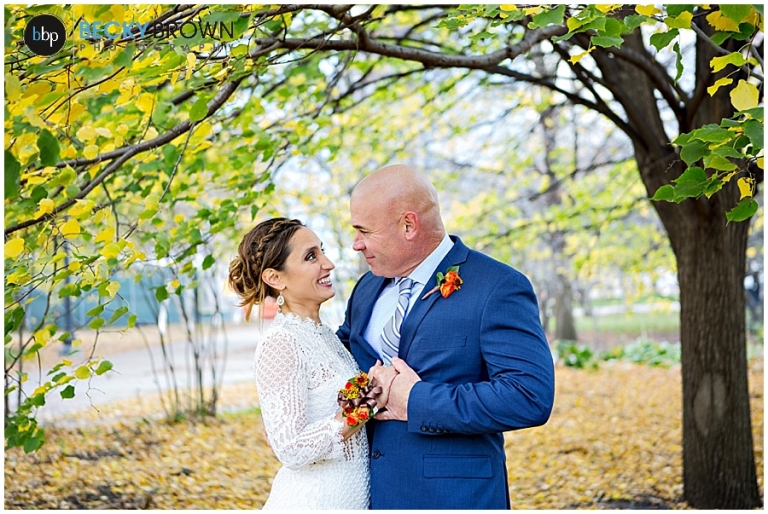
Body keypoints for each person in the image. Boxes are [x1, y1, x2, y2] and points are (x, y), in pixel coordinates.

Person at [337, 165, 556, 509]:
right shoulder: (366, 287)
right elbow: (341, 362)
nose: (356, 244)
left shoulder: (497, 286)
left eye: (364, 231)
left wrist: (415, 400)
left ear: (408, 225)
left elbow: (529, 396)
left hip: (453, 498)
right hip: (363, 493)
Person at [228, 217, 396, 509]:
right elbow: (290, 449)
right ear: (275, 278)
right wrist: (368, 402)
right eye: (310, 257)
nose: (328, 263)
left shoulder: (325, 335)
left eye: (322, 251)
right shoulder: (281, 341)